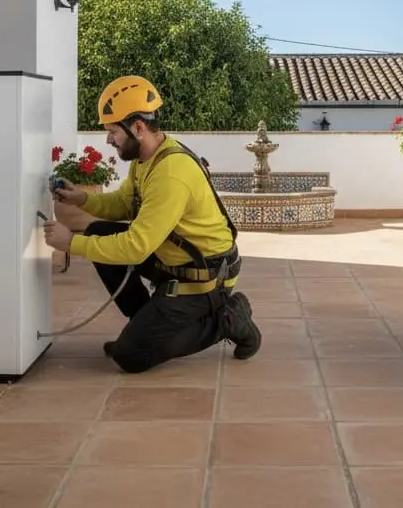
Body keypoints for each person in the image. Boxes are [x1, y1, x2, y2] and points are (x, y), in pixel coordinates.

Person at [43, 75, 262, 373]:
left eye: (112, 132)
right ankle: (147, 325)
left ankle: (228, 321)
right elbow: (123, 203)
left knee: (131, 356)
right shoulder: (146, 158)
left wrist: (71, 244)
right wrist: (82, 198)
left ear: (138, 128)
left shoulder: (170, 173)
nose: (108, 140)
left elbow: (135, 247)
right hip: (173, 259)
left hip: (205, 277)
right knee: (99, 232)